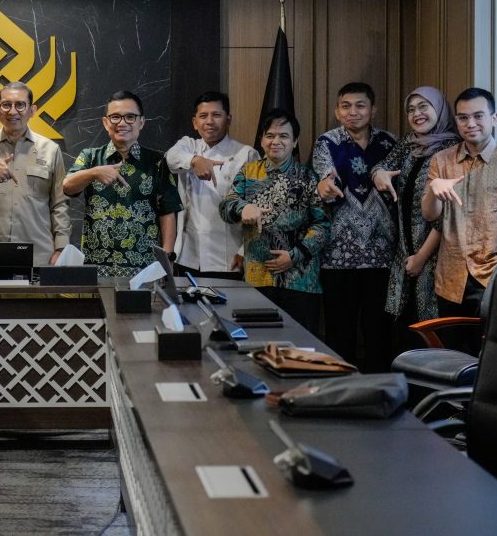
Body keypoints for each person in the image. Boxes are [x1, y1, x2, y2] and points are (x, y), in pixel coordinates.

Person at [311, 82, 398, 371]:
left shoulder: (390, 143)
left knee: (379, 334)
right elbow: (326, 176)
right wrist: (325, 186)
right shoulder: (327, 142)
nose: (353, 112)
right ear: (337, 111)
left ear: (373, 109)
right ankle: (341, 390)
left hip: (382, 256)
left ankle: (379, 390)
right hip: (338, 256)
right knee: (339, 333)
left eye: (360, 105)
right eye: (346, 106)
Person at [220, 108, 329, 334]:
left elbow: (323, 225)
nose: (275, 141)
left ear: (295, 141)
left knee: (301, 345)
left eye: (284, 136)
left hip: (300, 281)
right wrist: (243, 207)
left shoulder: (308, 177)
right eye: (270, 135)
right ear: (261, 140)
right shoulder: (248, 172)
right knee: (258, 343)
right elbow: (226, 208)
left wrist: (295, 255)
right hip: (257, 279)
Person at [422, 88, 497, 320]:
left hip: (494, 273)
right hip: (451, 275)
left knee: (491, 342)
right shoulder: (441, 160)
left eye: (478, 116)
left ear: (494, 118)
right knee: (452, 342)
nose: (470, 124)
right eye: (463, 117)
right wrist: (434, 189)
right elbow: (429, 215)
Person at [371, 87, 461, 340]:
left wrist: (421, 257)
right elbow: (380, 167)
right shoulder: (409, 144)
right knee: (404, 334)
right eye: (410, 109)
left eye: (423, 107)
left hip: (436, 257)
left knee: (432, 333)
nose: (416, 114)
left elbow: (450, 214)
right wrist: (379, 174)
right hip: (404, 254)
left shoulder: (453, 148)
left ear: (439, 109)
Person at [63, 90, 181, 281]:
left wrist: (167, 258)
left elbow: (167, 212)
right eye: (115, 117)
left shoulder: (157, 162)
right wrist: (94, 172)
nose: (122, 123)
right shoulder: (90, 157)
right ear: (105, 122)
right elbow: (68, 186)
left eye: (130, 117)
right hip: (96, 267)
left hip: (143, 268)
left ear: (141, 122)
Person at [0, 82, 70, 265]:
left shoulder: (50, 150)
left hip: (39, 253)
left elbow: (59, 203)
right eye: (6, 105)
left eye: (20, 105)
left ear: (32, 110)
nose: (12, 111)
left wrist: (61, 247)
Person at [165, 91, 258, 279]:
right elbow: (170, 158)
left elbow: (256, 205)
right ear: (194, 122)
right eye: (203, 116)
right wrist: (195, 161)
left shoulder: (246, 154)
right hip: (188, 255)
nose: (209, 121)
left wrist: (244, 250)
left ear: (228, 119)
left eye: (216, 115)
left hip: (229, 258)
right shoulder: (189, 145)